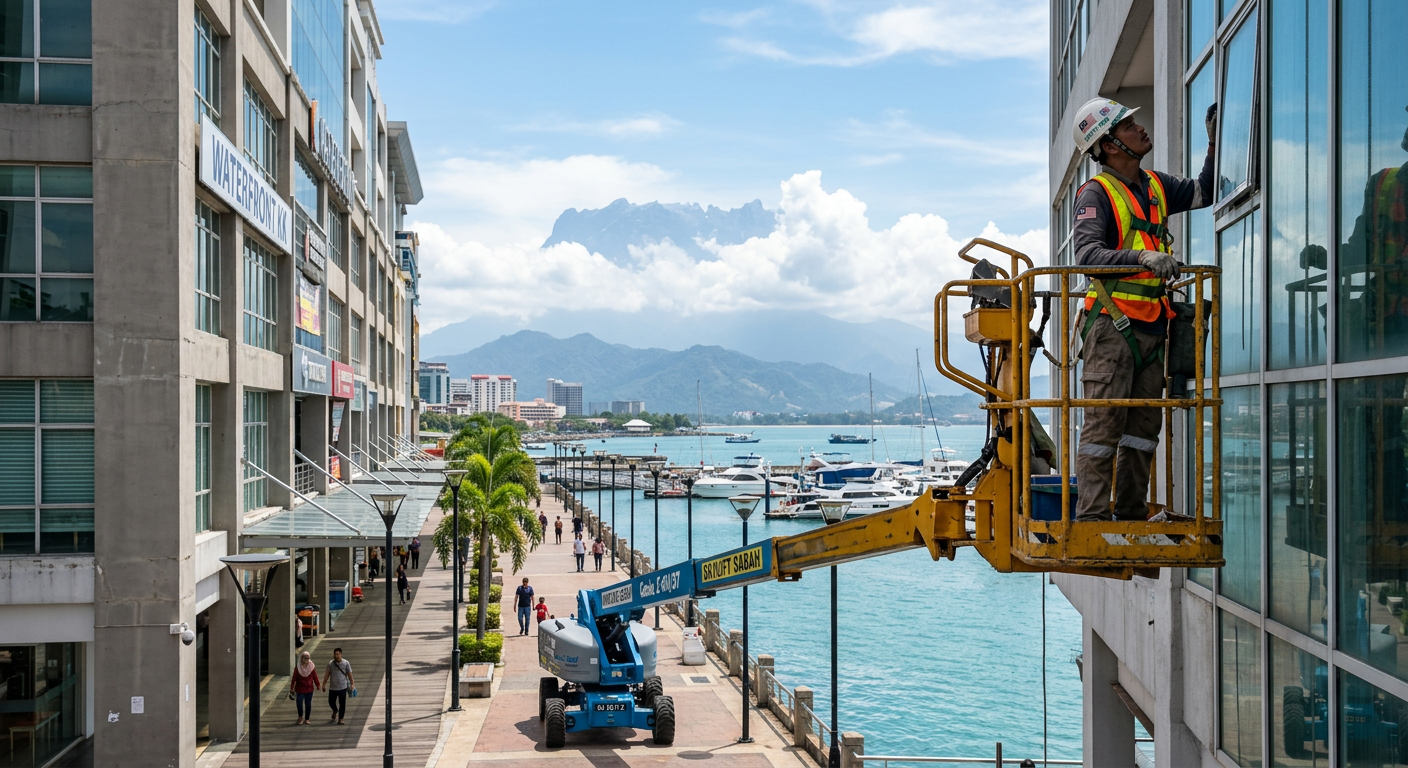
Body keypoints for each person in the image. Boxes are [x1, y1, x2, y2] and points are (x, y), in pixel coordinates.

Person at [1069, 97, 1216, 521]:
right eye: (1129, 125)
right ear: (1111, 144)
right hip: (1113, 328)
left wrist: (1212, 142)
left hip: (1153, 327)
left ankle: (1129, 514)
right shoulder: (1096, 193)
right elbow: (1087, 256)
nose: (1140, 127)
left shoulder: (1154, 185)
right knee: (1102, 429)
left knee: (1142, 433)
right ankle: (1093, 521)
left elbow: (1203, 192)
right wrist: (1143, 259)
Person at [323, 648, 354, 725]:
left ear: (341, 654)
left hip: (342, 687)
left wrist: (352, 683)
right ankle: (335, 710)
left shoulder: (346, 663)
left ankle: (341, 718)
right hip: (333, 687)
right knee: (331, 702)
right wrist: (324, 684)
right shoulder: (330, 664)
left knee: (342, 703)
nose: (337, 656)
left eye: (338, 654)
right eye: (335, 654)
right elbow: (327, 674)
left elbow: (349, 674)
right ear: (333, 655)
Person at [291, 651, 320, 725]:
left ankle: (307, 718)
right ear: (301, 658)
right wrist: (292, 688)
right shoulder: (298, 667)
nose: (306, 660)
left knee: (308, 703)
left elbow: (315, 676)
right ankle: (300, 717)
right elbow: (294, 678)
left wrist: (318, 684)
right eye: (305, 658)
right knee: (299, 703)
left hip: (309, 688)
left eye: (308, 658)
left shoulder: (311, 666)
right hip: (299, 688)